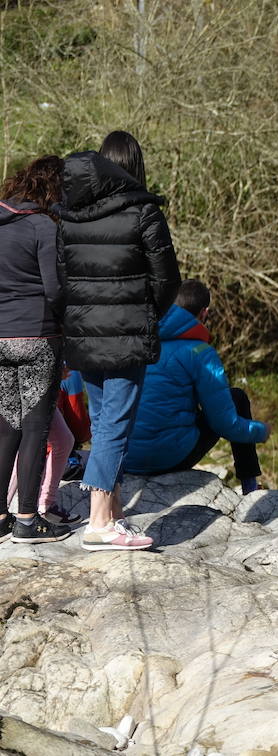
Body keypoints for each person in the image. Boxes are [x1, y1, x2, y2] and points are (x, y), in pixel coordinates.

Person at [61, 133, 181, 551]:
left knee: (102, 422)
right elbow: (168, 279)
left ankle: (110, 510)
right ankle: (99, 523)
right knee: (116, 422)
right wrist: (149, 315)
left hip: (82, 333)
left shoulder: (71, 214)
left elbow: (63, 278)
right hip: (127, 333)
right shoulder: (143, 211)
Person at [123, 280, 270, 493]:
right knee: (236, 397)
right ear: (204, 313)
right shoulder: (200, 352)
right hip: (170, 459)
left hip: (126, 458)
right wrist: (260, 431)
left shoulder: (136, 344)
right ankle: (249, 486)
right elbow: (224, 423)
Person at [0, 156, 69, 544]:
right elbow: (55, 289)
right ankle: (27, 519)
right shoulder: (44, 226)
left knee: (6, 427)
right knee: (34, 429)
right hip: (37, 338)